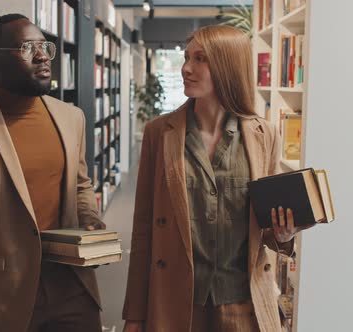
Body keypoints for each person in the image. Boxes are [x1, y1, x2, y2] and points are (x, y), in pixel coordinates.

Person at [122, 25, 310, 332]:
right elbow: (144, 229)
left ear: (228, 66)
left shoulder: (264, 134)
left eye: (200, 59)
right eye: (186, 58)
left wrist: (284, 235)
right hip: (175, 303)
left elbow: (264, 226)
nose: (186, 68)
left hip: (243, 303)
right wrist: (135, 314)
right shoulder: (159, 133)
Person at [0, 13, 105, 332]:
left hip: (74, 292)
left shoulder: (72, 118)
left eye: (44, 46)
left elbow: (80, 186)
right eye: (27, 46)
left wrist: (90, 219)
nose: (42, 55)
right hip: (7, 301)